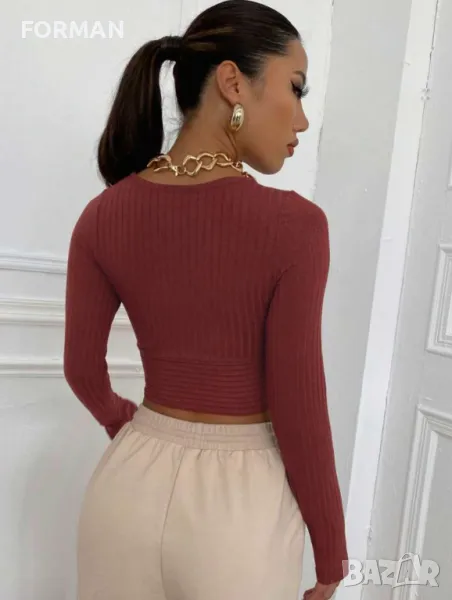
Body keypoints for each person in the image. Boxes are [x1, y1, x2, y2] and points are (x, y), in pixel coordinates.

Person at [63, 1, 349, 599]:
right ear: (232, 83)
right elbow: (298, 403)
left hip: (124, 491)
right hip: (238, 514)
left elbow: (82, 371)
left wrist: (128, 424)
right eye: (295, 89)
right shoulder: (294, 227)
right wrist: (332, 551)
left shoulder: (102, 215)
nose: (302, 120)